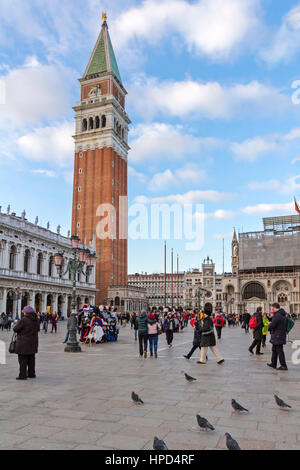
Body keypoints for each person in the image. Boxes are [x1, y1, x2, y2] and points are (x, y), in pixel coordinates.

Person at [13, 306, 40, 380]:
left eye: (24, 311)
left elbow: (15, 329)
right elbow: (38, 329)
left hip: (23, 343)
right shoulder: (36, 320)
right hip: (33, 342)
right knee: (31, 359)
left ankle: (22, 375)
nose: (23, 312)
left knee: (22, 360)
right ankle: (31, 374)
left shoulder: (24, 320)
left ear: (26, 312)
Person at [267, 303, 288, 371]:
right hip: (279, 334)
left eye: (272, 308)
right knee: (274, 350)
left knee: (279, 350)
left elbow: (273, 325)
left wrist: (269, 324)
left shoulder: (277, 315)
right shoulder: (282, 314)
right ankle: (273, 363)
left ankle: (283, 365)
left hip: (278, 335)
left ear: (275, 307)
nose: (272, 309)